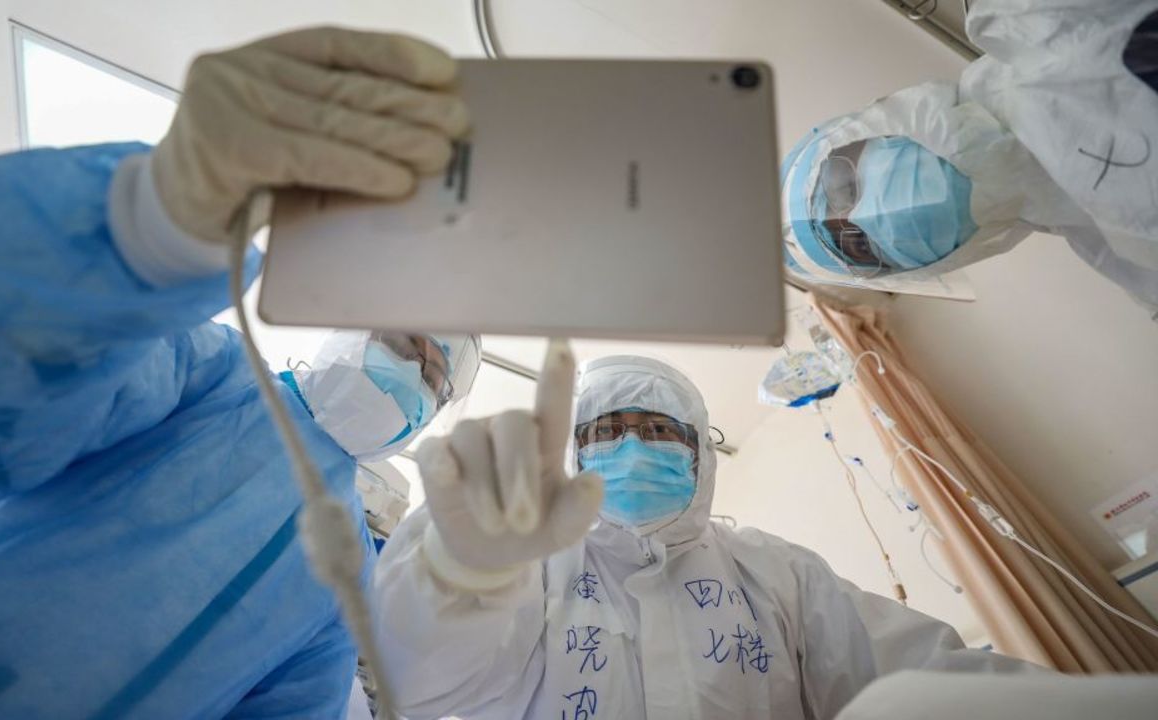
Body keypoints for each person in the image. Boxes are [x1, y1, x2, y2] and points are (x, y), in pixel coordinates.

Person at [0, 27, 479, 718]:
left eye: (433, 384)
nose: (410, 378)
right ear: (349, 329)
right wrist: (148, 228)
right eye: (403, 344)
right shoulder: (209, 376)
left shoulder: (343, 588)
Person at [372, 343, 1037, 720]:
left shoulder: (777, 574)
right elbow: (418, 688)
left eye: (660, 430)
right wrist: (461, 577)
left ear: (700, 452)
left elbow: (922, 679)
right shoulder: (531, 564)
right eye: (607, 431)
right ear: (572, 451)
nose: (633, 445)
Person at [781, 0, 1158, 314]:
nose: (868, 215)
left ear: (866, 130)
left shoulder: (1028, 13)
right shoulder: (1131, 263)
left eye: (843, 187)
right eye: (861, 245)